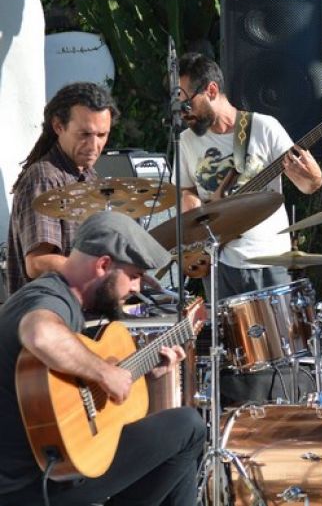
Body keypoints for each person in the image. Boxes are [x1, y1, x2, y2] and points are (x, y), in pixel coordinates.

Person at [0, 211, 206, 504]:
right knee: (189, 427)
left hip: (49, 469)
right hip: (32, 486)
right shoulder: (48, 298)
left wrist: (142, 372)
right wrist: (104, 373)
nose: (136, 288)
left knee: (170, 443)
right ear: (104, 265)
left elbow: (68, 397)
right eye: (133, 276)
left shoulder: (66, 300)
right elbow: (41, 334)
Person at [175, 52, 322, 300]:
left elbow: (308, 186)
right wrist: (195, 225)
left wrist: (313, 176)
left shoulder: (264, 128)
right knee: (223, 339)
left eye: (186, 103)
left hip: (269, 260)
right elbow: (186, 190)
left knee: (275, 339)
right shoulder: (186, 141)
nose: (182, 113)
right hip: (218, 262)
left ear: (211, 91)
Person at [7, 82, 119, 295]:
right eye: (84, 134)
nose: (94, 146)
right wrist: (99, 273)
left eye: (102, 135)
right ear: (58, 126)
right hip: (45, 315)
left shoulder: (89, 176)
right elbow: (37, 264)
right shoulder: (44, 177)